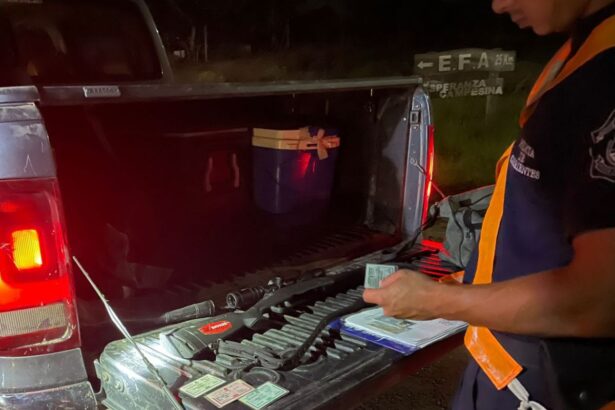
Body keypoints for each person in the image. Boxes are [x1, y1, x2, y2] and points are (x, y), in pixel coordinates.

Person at [363, 0, 615, 409]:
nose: (499, 4)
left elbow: (600, 301)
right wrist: (472, 281)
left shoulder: (606, 78)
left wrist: (435, 302)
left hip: (550, 392)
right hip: (507, 375)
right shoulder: (584, 52)